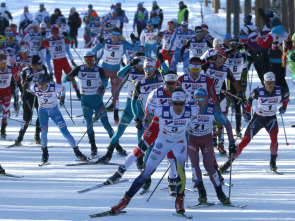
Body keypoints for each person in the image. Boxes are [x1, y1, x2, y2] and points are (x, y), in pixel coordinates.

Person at [108, 88, 198, 216]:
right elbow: (148, 108)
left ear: (185, 103)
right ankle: (124, 201)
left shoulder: (191, 110)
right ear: (171, 102)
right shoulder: (162, 110)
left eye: (181, 104)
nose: (179, 107)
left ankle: (179, 201)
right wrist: (145, 119)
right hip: (163, 142)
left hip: (179, 142)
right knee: (146, 173)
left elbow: (203, 105)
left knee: (181, 172)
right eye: (176, 103)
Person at [219, 72, 289, 173]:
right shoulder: (258, 91)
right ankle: (228, 163)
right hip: (258, 119)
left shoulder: (281, 90)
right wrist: (247, 112)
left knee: (274, 139)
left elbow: (286, 98)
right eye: (268, 83)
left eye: (272, 83)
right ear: (264, 82)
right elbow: (249, 100)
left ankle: (273, 161)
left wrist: (284, 107)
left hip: (271, 119)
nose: (270, 86)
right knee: (245, 141)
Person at [63, 52, 121, 158]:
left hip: (97, 101)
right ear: (84, 59)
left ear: (94, 59)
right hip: (85, 101)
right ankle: (93, 147)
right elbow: (64, 79)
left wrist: (102, 86)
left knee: (106, 124)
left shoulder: (99, 69)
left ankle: (116, 145)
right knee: (89, 124)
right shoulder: (78, 69)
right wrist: (68, 77)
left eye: (91, 59)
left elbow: (105, 81)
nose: (89, 61)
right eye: (86, 59)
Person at [189, 88, 235, 205]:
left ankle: (220, 193)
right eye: (196, 99)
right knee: (194, 165)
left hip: (206, 140)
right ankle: (202, 194)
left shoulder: (212, 108)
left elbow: (228, 124)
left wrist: (231, 143)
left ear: (207, 99)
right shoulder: (189, 107)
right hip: (192, 140)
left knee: (209, 167)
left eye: (201, 99)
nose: (198, 102)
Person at [29, 73, 87, 163]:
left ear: (46, 82)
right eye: (38, 83)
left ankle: (77, 152)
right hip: (43, 111)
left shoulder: (53, 87)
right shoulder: (35, 87)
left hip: (54, 111)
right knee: (44, 132)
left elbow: (63, 89)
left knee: (65, 132)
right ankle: (45, 153)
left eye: (42, 84)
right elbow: (28, 89)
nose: (40, 86)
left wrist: (62, 97)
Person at [92, 27, 133, 123]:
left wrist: (134, 41)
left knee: (115, 94)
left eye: (117, 38)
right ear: (111, 36)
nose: (115, 39)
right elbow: (94, 51)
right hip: (105, 71)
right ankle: (97, 113)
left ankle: (115, 114)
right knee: (101, 92)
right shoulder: (106, 42)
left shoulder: (123, 43)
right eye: (113, 37)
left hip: (116, 71)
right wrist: (99, 43)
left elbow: (134, 47)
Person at [10, 55, 47, 146]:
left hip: (40, 96)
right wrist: (27, 81)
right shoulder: (25, 71)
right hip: (28, 96)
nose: (41, 66)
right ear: (33, 65)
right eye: (39, 64)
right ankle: (20, 138)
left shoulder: (43, 69)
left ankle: (37, 135)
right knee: (27, 117)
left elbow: (48, 81)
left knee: (41, 115)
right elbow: (23, 86)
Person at [40, 25, 81, 101]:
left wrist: (67, 35)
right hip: (56, 62)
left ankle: (77, 92)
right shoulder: (49, 40)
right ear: (52, 33)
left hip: (64, 61)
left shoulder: (62, 38)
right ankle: (61, 95)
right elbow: (41, 44)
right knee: (58, 80)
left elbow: (71, 41)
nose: (55, 34)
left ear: (58, 32)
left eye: (56, 32)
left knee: (71, 77)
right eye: (54, 32)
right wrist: (42, 36)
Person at [0, 54, 18, 138]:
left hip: (7, 91)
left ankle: (3, 130)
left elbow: (20, 69)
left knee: (6, 110)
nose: (3, 66)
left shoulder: (10, 69)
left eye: (4, 64)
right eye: (1, 64)